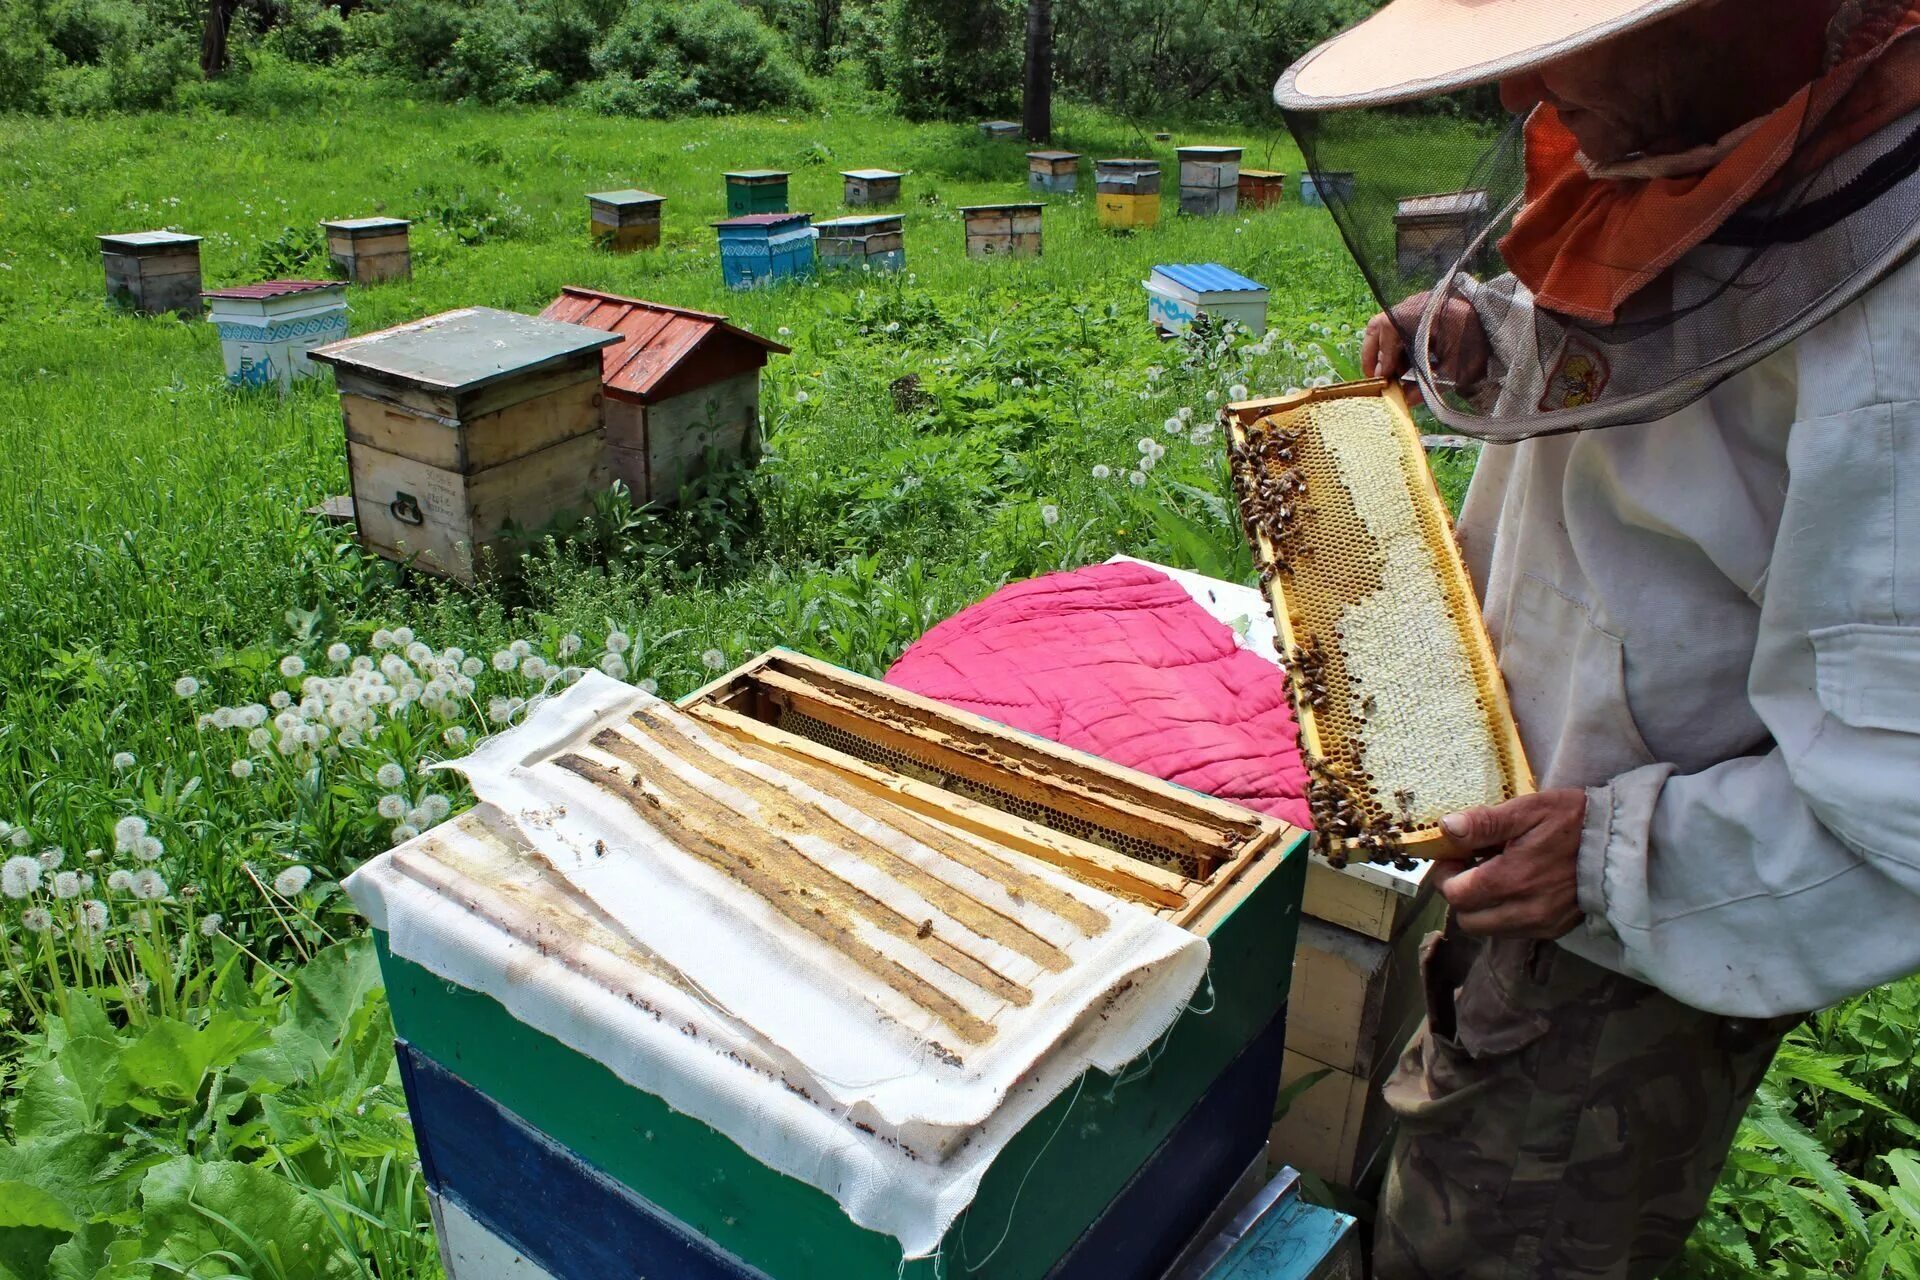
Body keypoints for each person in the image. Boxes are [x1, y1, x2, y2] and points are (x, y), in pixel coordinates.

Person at [1272, 1, 1920, 1276]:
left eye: (1576, 26)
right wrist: (1490, 343)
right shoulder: (1703, 145)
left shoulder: (1898, 322)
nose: (1536, 83)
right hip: (1523, 826)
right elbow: (1663, 377)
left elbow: (1899, 805)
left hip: (1644, 951)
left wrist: (1621, 853)